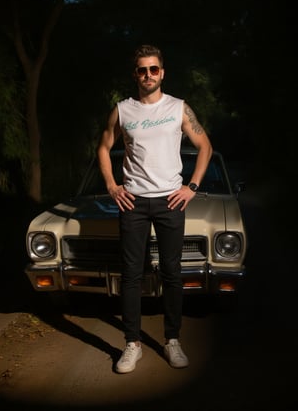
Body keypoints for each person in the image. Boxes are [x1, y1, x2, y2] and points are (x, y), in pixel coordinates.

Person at [97, 44, 213, 374]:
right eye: (141, 70)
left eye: (153, 69)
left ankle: (172, 340)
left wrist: (191, 187)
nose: (148, 75)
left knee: (171, 273)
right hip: (132, 201)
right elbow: (104, 147)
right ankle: (132, 343)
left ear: (162, 72)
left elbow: (205, 146)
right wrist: (111, 186)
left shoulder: (178, 108)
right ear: (135, 74)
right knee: (131, 275)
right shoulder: (122, 110)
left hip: (170, 201)